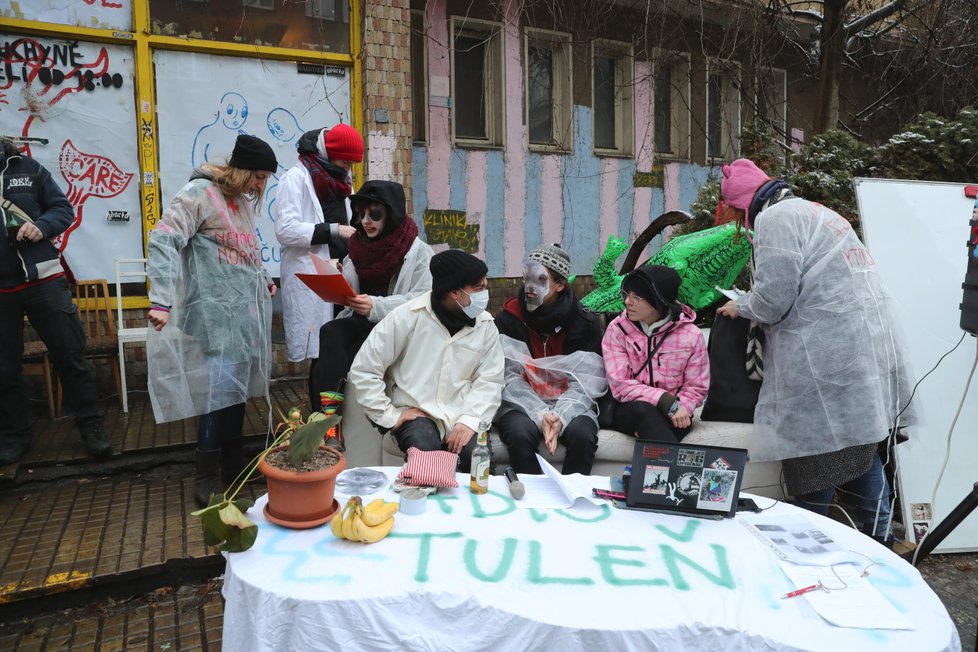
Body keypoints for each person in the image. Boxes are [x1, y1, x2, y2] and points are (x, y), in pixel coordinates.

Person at [714, 157, 916, 544]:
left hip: (825, 353)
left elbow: (774, 299)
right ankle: (882, 540)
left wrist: (740, 305)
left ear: (743, 204)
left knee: (819, 450)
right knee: (858, 443)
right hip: (858, 345)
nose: (741, 223)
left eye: (737, 214)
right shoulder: (813, 211)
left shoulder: (776, 220)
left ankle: (805, 539)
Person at [146, 134, 278, 507]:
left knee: (234, 391)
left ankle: (234, 465)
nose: (261, 185)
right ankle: (206, 476)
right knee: (218, 392)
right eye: (260, 176)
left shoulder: (240, 204)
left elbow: (248, 248)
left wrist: (265, 280)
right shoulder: (198, 194)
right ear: (243, 171)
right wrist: (160, 299)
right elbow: (164, 239)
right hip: (213, 311)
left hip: (242, 313)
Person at [0, 138, 111, 463]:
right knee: (4, 368)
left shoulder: (27, 169)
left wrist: (41, 226)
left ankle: (92, 427)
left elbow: (62, 209)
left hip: (43, 278)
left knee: (70, 355)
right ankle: (16, 437)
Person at [348, 249, 504, 472]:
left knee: (475, 460)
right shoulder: (406, 318)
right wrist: (390, 416)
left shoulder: (486, 326)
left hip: (463, 413)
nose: (485, 293)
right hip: (416, 414)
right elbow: (364, 369)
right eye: (479, 288)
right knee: (425, 455)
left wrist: (470, 420)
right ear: (454, 293)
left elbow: (490, 379)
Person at [309, 180, 433, 431]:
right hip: (363, 323)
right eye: (362, 213)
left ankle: (335, 420)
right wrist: (338, 277)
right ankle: (328, 423)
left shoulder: (419, 252)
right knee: (329, 335)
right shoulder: (357, 247)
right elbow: (352, 294)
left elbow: (423, 298)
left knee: (343, 356)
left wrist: (376, 306)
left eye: (375, 214)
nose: (366, 221)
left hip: (398, 330)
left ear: (392, 214)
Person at [494, 244, 606, 475]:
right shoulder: (509, 319)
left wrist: (560, 415)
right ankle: (534, 499)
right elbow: (507, 375)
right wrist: (539, 413)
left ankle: (573, 497)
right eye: (527, 278)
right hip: (521, 403)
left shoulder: (584, 322)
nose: (530, 287)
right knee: (519, 433)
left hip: (572, 401)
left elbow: (587, 380)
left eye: (541, 279)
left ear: (560, 284)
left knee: (582, 435)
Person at [274, 124, 363, 408]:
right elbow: (285, 230)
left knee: (341, 348)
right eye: (345, 160)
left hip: (341, 275)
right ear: (328, 153)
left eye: (351, 162)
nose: (348, 167)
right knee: (322, 354)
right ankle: (321, 419)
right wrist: (334, 230)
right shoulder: (295, 179)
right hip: (314, 278)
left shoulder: (340, 183)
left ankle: (339, 418)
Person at [602, 265, 709, 442]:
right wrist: (665, 401)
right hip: (630, 409)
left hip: (676, 411)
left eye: (636, 297)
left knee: (654, 424)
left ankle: (656, 465)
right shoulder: (617, 329)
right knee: (644, 411)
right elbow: (620, 384)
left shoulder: (690, 335)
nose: (628, 302)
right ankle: (675, 468)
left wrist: (681, 407)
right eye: (626, 294)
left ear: (658, 299)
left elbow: (696, 387)